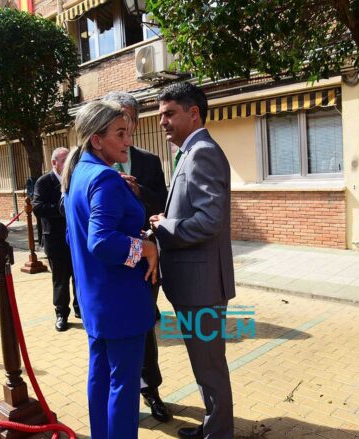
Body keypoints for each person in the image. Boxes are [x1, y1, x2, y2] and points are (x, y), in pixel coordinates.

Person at [61, 100, 158, 438]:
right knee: (123, 386)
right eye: (120, 133)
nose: (128, 141)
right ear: (96, 140)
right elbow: (101, 241)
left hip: (96, 299)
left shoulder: (80, 174)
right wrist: (145, 247)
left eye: (128, 132)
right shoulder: (104, 178)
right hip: (121, 301)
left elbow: (75, 236)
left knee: (101, 378)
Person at [151, 82, 236, 439]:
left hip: (202, 288)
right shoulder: (189, 151)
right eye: (161, 115)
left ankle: (219, 433)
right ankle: (213, 425)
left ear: (194, 113)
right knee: (204, 366)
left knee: (210, 366)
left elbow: (209, 220)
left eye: (169, 114)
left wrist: (165, 227)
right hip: (193, 285)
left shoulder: (203, 152)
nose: (163, 122)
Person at [103, 91, 170, 422]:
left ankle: (150, 389)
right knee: (112, 331)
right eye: (118, 117)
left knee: (144, 326)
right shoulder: (91, 162)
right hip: (109, 261)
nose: (124, 125)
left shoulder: (149, 161)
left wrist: (137, 191)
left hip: (146, 259)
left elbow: (163, 202)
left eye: (129, 118)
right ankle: (118, 394)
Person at [32, 147, 80, 332]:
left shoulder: (74, 179)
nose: (69, 164)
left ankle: (79, 308)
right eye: (65, 160)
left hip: (75, 238)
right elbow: (38, 207)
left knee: (78, 276)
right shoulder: (44, 182)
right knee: (60, 278)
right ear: (54, 163)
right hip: (55, 240)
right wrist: (62, 209)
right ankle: (61, 314)